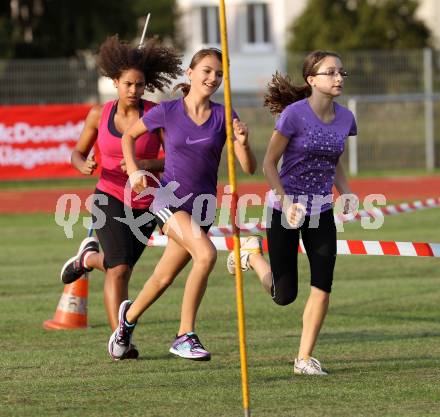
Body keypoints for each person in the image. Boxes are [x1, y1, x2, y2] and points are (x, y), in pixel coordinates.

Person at [107, 47, 257, 361]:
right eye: (206, 70)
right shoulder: (168, 111)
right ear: (190, 73)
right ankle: (184, 335)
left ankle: (126, 321)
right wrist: (135, 171)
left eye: (218, 73)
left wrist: (243, 144)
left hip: (202, 207)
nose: (213, 78)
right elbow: (128, 138)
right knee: (206, 254)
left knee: (163, 277)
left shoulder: (224, 115)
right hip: (166, 199)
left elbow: (249, 167)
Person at [227, 50, 357, 375]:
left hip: (322, 211)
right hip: (284, 208)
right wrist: (286, 203)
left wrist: (348, 192)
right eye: (331, 72)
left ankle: (304, 358)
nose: (339, 78)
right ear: (312, 80)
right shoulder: (293, 115)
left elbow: (334, 160)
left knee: (323, 284)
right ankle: (252, 258)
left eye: (341, 72)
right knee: (284, 295)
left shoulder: (346, 118)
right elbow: (269, 164)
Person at [59, 35, 182, 359]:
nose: (134, 90)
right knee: (120, 270)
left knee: (120, 266)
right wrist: (81, 163)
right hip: (108, 194)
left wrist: (142, 164)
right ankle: (120, 340)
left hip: (145, 200)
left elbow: (173, 158)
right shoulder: (98, 114)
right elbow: (77, 151)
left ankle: (87, 259)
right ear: (115, 82)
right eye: (128, 83)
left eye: (140, 85)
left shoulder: (155, 115)